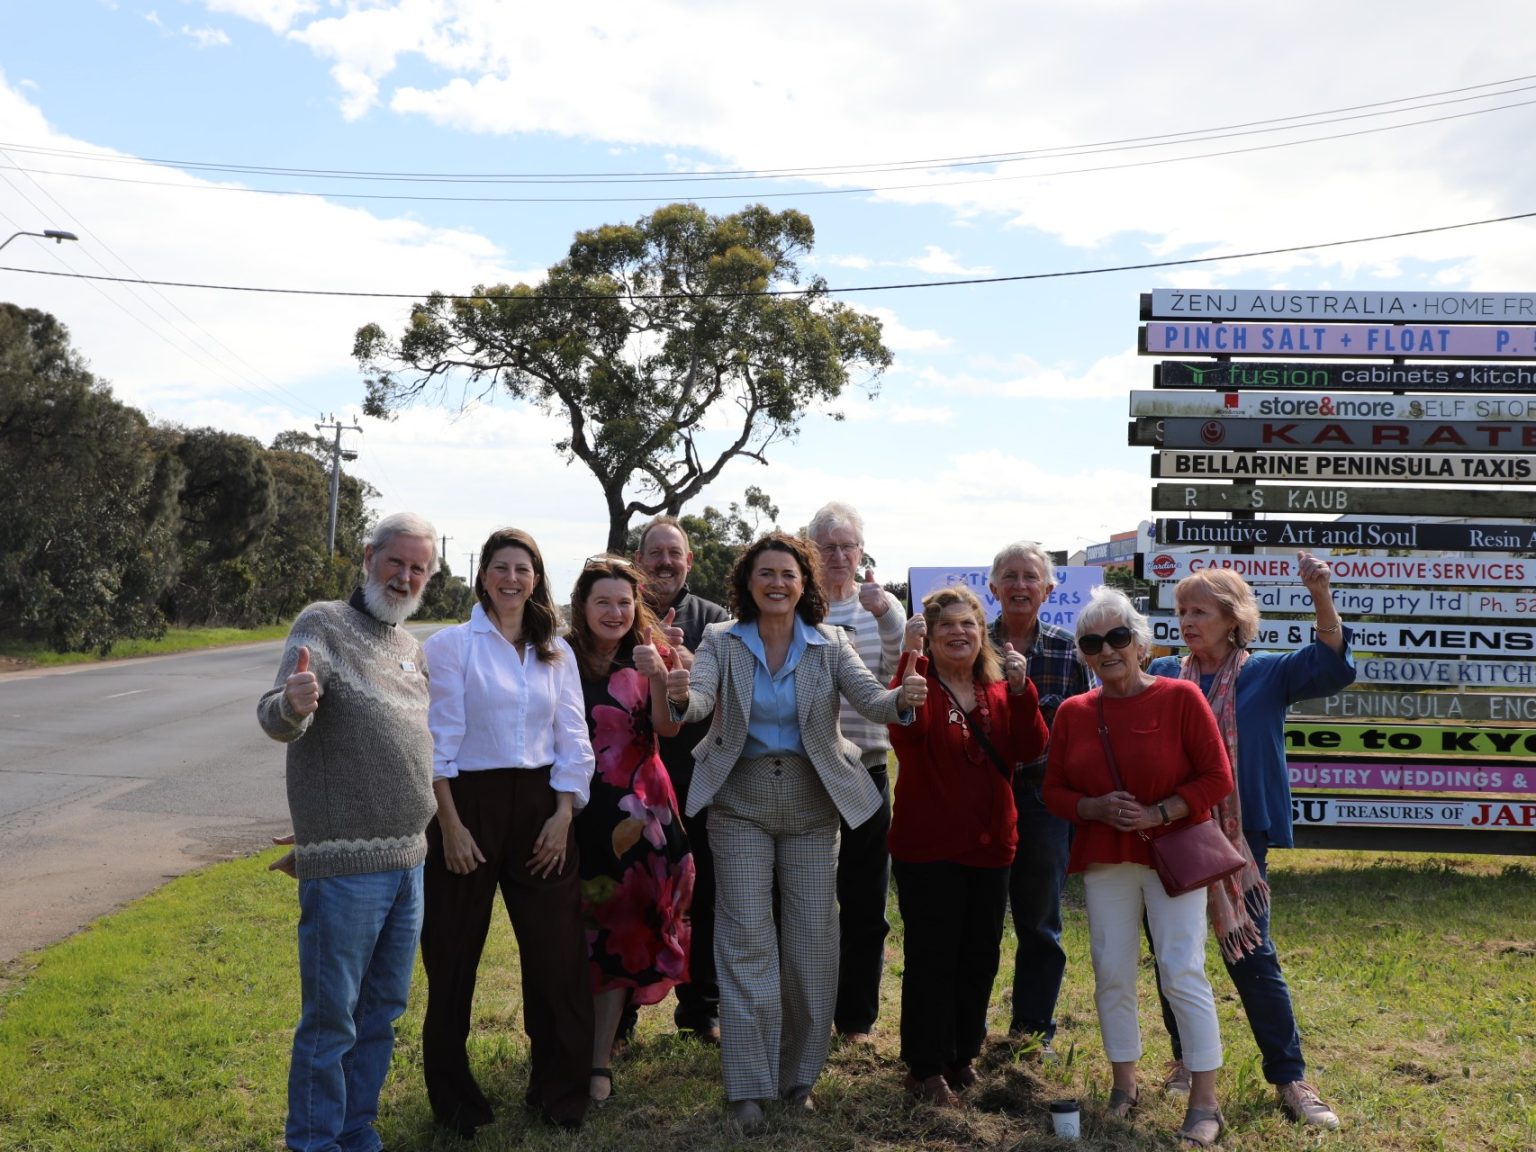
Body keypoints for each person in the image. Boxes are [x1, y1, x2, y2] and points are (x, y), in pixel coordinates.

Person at [663, 532, 927, 1131]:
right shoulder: (720, 641)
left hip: (813, 807)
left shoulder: (831, 643)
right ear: (747, 583)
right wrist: (680, 692)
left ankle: (798, 1079)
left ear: (803, 584)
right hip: (741, 804)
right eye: (766, 574)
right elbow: (699, 701)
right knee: (745, 938)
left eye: (788, 574)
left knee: (811, 944)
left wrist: (903, 698)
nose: (777, 583)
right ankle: (748, 1086)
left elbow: (872, 700)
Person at [1146, 552, 1353, 1130]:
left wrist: (1320, 594)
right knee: (1175, 952)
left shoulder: (1267, 673)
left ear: (1233, 618)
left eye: (1200, 611)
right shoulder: (1163, 675)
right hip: (1173, 830)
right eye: (1182, 610)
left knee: (1254, 956)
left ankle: (1290, 1077)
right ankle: (1185, 1061)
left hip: (1241, 839)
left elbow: (1331, 667)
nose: (1187, 621)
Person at [256, 512, 440, 1152]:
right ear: (370, 557)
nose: (406, 575)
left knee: (382, 1014)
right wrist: (292, 703)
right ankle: (312, 1141)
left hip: (410, 860)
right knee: (332, 1018)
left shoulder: (411, 648)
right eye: (397, 562)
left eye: (419, 567)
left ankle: (356, 1130)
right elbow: (278, 719)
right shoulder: (323, 624)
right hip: (346, 867)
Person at [419, 527, 596, 1135]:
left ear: (537, 578)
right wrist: (450, 824)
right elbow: (438, 739)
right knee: (452, 957)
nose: (512, 578)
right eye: (501, 567)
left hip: (545, 809)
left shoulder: (557, 651)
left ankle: (560, 1092)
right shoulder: (450, 646)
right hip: (467, 805)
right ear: (483, 575)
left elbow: (574, 736)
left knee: (558, 959)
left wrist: (563, 814)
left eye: (523, 568)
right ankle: (455, 1103)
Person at [1043, 587, 1234, 1148]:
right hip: (1108, 857)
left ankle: (1204, 1099)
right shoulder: (1075, 714)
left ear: (1141, 643)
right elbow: (1053, 791)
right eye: (1093, 642)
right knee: (1112, 971)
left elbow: (1216, 778)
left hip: (1173, 852)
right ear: (1082, 652)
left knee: (1181, 969)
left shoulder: (1180, 698)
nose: (1107, 650)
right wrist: (1093, 808)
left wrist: (1159, 810)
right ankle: (1124, 1085)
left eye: (1118, 637)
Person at [887, 586, 1048, 1107]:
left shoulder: (1000, 690)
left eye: (969, 625)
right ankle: (925, 1068)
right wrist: (908, 670)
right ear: (930, 639)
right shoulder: (917, 684)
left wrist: (1024, 693)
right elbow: (906, 737)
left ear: (985, 637)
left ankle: (961, 1056)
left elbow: (1031, 749)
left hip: (992, 843)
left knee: (980, 956)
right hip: (928, 846)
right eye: (947, 626)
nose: (959, 632)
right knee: (933, 956)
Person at [565, 555, 694, 1104]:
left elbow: (667, 727)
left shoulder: (651, 654)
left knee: (622, 932)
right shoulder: (559, 655)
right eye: (603, 602)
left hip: (643, 816)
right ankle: (564, 1045)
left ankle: (599, 1061)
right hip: (574, 810)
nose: (615, 612)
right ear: (583, 606)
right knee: (573, 935)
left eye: (623, 602)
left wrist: (662, 676)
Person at [807, 501, 907, 1045]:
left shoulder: (881, 606)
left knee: (865, 899)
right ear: (813, 553)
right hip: (805, 772)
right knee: (805, 898)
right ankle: (804, 1012)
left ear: (861, 552)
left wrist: (887, 614)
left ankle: (856, 1021)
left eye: (848, 546)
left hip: (865, 767)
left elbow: (900, 672)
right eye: (829, 547)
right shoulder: (797, 606)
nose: (840, 556)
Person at [987, 541, 1091, 1055]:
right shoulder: (969, 643)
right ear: (993, 588)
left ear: (1049, 590)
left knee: (1040, 923)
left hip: (1042, 803)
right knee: (975, 920)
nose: (1020, 585)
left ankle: (1031, 1034)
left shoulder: (1071, 651)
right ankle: (965, 1029)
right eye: (1010, 576)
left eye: (1031, 577)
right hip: (978, 801)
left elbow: (1089, 728)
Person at [632, 515, 729, 1043]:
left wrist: (695, 668)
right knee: (631, 892)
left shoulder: (714, 621)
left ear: (689, 561)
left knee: (705, 895)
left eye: (676, 554)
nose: (666, 562)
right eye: (656, 553)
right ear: (639, 560)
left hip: (698, 778)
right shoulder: (617, 610)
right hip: (629, 781)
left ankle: (701, 1011)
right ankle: (620, 1017)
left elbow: (739, 701)